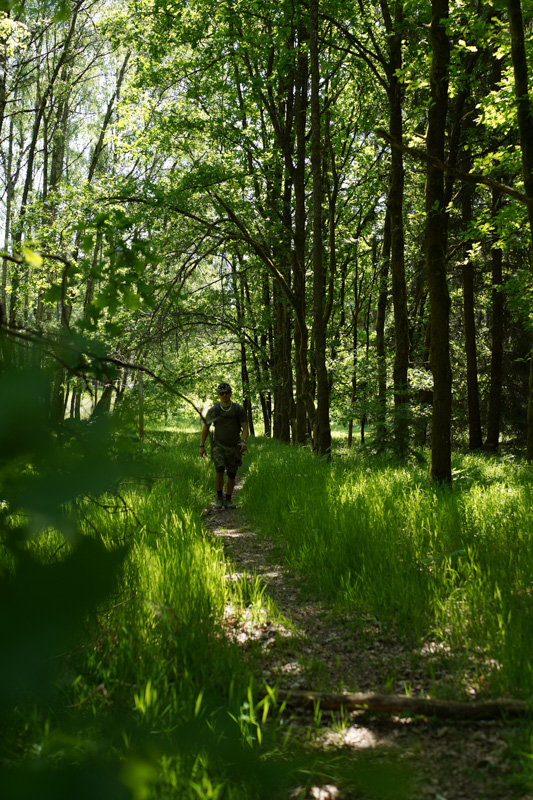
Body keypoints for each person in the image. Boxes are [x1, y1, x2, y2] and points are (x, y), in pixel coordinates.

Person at [199, 382, 249, 509]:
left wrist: (244, 441)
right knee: (219, 469)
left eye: (227, 392)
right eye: (222, 393)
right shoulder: (214, 410)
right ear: (218, 395)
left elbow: (245, 427)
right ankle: (219, 497)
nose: (225, 395)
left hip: (234, 446)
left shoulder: (238, 409)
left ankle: (228, 499)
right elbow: (206, 428)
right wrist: (201, 446)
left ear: (231, 393)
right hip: (218, 445)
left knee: (232, 474)